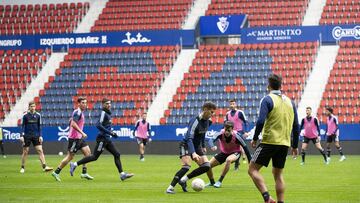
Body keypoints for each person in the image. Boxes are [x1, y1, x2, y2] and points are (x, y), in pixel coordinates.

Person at [248, 74, 299, 203]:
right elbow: (296, 126)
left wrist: (254, 138)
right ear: (280, 85)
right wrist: (295, 145)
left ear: (269, 86)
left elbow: (260, 121)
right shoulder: (290, 102)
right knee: (278, 175)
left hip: (269, 141)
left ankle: (267, 198)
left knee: (252, 169)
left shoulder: (267, 99)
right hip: (285, 143)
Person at [69, 98, 134, 181]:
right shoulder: (103, 113)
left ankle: (122, 174)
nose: (109, 105)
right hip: (102, 139)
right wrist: (110, 133)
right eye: (107, 103)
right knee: (94, 157)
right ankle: (74, 164)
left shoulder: (107, 113)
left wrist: (110, 133)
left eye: (110, 103)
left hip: (107, 139)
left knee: (117, 154)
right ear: (103, 104)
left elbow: (105, 126)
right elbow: (98, 125)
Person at [166, 101, 217, 194]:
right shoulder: (195, 121)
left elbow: (203, 133)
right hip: (186, 144)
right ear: (205, 110)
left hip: (197, 146)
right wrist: (193, 152)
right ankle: (170, 188)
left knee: (206, 166)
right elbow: (189, 138)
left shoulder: (209, 121)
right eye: (211, 112)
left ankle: (183, 180)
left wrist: (203, 145)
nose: (213, 114)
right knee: (186, 166)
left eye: (213, 112)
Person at [52, 97, 93, 182]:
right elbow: (73, 124)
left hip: (79, 138)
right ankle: (56, 172)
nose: (85, 104)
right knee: (70, 157)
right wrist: (82, 133)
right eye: (83, 103)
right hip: (74, 138)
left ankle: (84, 172)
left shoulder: (79, 112)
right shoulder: (78, 112)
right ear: (78, 104)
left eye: (85, 103)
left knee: (88, 154)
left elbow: (71, 121)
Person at [206, 121, 251, 188]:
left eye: (228, 130)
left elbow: (245, 147)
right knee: (207, 166)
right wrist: (212, 146)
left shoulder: (237, 136)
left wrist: (249, 161)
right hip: (223, 153)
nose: (226, 132)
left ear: (232, 130)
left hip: (235, 153)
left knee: (228, 160)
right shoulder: (220, 133)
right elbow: (210, 140)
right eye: (225, 130)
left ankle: (219, 181)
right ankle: (212, 182)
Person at [20, 101, 53, 173]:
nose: (33, 107)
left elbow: (40, 126)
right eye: (31, 106)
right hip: (27, 136)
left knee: (40, 150)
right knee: (25, 152)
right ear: (29, 107)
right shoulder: (25, 115)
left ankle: (44, 166)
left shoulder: (38, 115)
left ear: (35, 107)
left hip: (36, 135)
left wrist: (40, 135)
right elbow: (22, 126)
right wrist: (21, 136)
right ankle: (22, 167)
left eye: (34, 106)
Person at [225, 99, 250, 170]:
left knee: (238, 148)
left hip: (239, 132)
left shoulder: (240, 112)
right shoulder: (227, 114)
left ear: (236, 104)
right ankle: (236, 161)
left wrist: (246, 132)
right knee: (233, 149)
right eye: (231, 104)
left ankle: (236, 165)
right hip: (231, 133)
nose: (232, 105)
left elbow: (246, 122)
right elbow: (226, 124)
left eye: (233, 104)